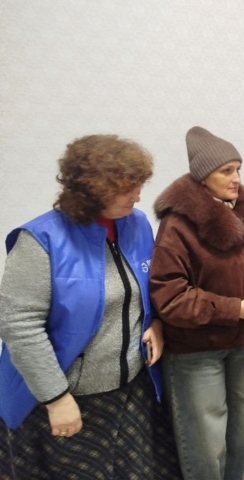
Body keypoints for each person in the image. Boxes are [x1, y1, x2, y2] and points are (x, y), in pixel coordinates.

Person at [0, 134, 182, 479]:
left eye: (139, 185)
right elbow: (18, 326)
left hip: (130, 391)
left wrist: (156, 323)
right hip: (66, 398)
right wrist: (56, 398)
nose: (138, 195)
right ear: (92, 190)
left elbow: (151, 288)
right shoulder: (40, 240)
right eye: (127, 188)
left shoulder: (137, 224)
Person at [149, 126, 244, 480]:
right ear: (203, 177)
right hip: (196, 352)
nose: (237, 179)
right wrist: (236, 309)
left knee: (239, 439)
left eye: (238, 169)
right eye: (226, 171)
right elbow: (170, 297)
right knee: (205, 447)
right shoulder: (177, 224)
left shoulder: (243, 209)